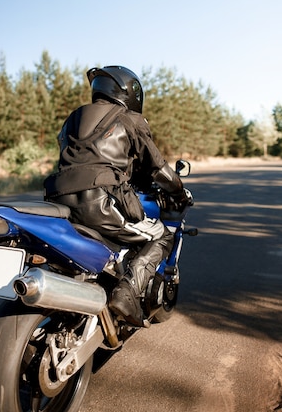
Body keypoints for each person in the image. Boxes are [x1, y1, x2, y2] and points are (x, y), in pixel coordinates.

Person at [44, 65, 191, 327]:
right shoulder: (129, 119)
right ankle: (128, 292)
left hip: (57, 200)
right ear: (129, 91)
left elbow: (84, 160)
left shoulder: (73, 119)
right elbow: (158, 169)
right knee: (161, 235)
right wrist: (179, 191)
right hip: (102, 202)